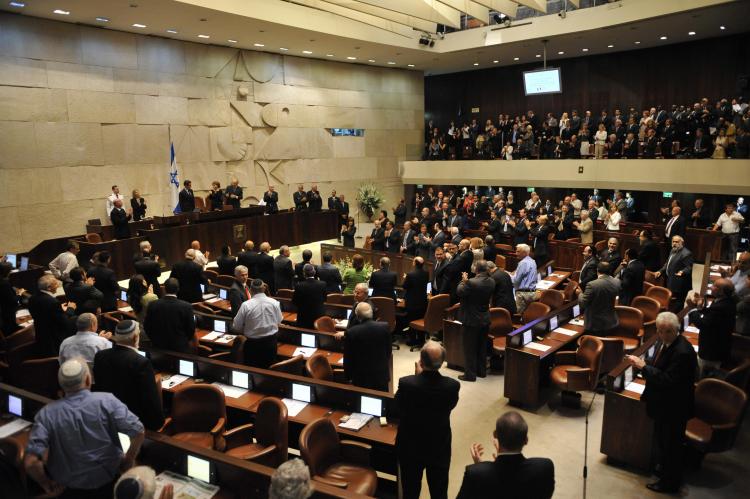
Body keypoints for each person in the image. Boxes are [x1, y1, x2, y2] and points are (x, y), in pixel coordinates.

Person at [24, 359, 145, 498]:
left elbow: (31, 462)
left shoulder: (46, 414)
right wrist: (128, 461)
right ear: (88, 380)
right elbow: (139, 432)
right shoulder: (108, 401)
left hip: (68, 491)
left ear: (61, 386)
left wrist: (46, 483)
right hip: (110, 485)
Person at [625, 312, 697, 494]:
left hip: (673, 408)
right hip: (663, 404)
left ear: (675, 330)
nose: (662, 334)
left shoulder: (683, 352)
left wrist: (644, 367)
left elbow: (668, 380)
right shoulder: (665, 342)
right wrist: (645, 363)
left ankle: (669, 484)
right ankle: (664, 469)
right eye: (660, 331)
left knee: (671, 446)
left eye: (667, 331)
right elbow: (659, 363)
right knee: (664, 443)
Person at [395, 342, 460, 499]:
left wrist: (417, 377)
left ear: (421, 362)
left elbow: (397, 407)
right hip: (438, 447)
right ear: (442, 363)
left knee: (410, 491)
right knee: (439, 492)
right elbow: (450, 405)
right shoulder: (452, 386)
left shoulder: (406, 383)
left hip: (410, 446)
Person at [457, 411, 555, 499]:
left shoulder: (475, 473)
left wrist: (481, 466)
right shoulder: (545, 467)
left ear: (495, 435)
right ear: (526, 440)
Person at [94, 320, 165, 431]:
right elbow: (149, 399)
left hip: (108, 417)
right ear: (135, 337)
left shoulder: (100, 355)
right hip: (134, 421)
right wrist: (158, 424)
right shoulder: (141, 362)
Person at [688, 279, 736, 377]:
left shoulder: (720, 307)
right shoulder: (726, 301)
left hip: (711, 351)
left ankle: (702, 387)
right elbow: (712, 316)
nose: (711, 287)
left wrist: (692, 309)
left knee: (703, 374)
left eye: (714, 286)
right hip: (719, 345)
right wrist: (701, 308)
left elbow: (702, 324)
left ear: (721, 291)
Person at [339, 302, 391, 391]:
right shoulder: (384, 326)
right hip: (381, 374)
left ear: (357, 315)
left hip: (361, 377)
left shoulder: (352, 332)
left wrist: (348, 377)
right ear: (371, 313)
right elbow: (388, 351)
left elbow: (348, 358)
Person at [457, 260, 495, 382]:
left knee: (469, 348)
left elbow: (460, 292)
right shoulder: (492, 281)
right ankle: (481, 371)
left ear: (476, 269)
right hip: (485, 319)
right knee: (481, 346)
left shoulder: (471, 283)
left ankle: (470, 375)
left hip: (471, 320)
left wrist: (464, 281)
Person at [233, 278, 283, 368]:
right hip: (270, 343)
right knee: (269, 370)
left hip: (252, 345)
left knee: (253, 370)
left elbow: (236, 326)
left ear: (250, 290)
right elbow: (279, 320)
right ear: (264, 289)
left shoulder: (246, 305)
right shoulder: (274, 303)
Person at [143, 278, 196, 353]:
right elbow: (191, 329)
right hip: (179, 347)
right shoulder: (186, 306)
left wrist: (154, 339)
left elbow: (147, 326)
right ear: (178, 289)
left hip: (158, 346)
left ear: (164, 288)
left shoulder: (153, 305)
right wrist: (183, 340)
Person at [29, 274, 77, 356]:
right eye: (55, 284)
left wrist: (59, 309)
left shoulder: (32, 297)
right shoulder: (53, 302)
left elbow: (46, 312)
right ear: (49, 288)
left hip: (40, 333)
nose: (58, 285)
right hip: (53, 338)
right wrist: (70, 309)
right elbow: (64, 322)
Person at [576, 262, 619, 335]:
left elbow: (583, 303)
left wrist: (579, 293)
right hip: (611, 322)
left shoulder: (592, 285)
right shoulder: (617, 282)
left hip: (595, 324)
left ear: (597, 270)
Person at [655, 236, 693, 311]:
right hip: (671, 280)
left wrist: (682, 271)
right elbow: (667, 263)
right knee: (671, 302)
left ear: (681, 243)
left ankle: (678, 319)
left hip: (680, 283)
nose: (674, 243)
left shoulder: (686, 254)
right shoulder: (673, 250)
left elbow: (689, 267)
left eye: (677, 242)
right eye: (673, 242)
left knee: (678, 303)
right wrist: (661, 271)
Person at [402, 257, 430, 344]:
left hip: (412, 302)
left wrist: (405, 278)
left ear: (414, 263)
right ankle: (421, 340)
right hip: (422, 301)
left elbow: (404, 286)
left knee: (411, 321)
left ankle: (412, 340)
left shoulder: (410, 274)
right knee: (420, 319)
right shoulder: (426, 273)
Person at [293, 264, 327, 329]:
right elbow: (324, 299)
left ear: (304, 273)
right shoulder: (322, 284)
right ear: (314, 272)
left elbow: (295, 302)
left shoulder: (299, 286)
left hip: (303, 316)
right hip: (318, 316)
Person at [512, 244, 538, 315]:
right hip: (532, 293)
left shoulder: (523, 263)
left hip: (523, 294)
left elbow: (516, 280)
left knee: (519, 316)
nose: (516, 253)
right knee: (528, 314)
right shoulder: (532, 261)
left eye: (518, 251)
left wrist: (508, 276)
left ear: (525, 253)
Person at [0, 261, 23, 337]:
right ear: (8, 272)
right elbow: (13, 301)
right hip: (7, 315)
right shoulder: (5, 284)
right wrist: (19, 294)